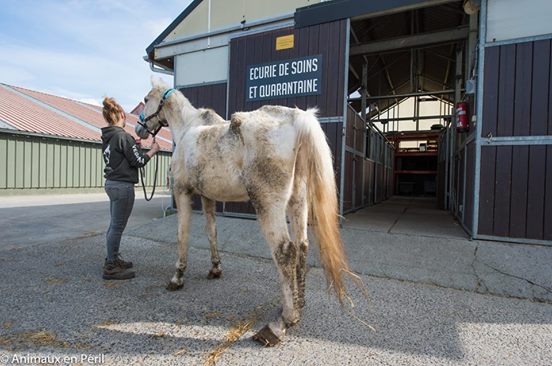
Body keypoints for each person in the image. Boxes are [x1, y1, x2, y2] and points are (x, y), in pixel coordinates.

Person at [100, 97, 160, 280]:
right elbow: (139, 161)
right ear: (122, 116)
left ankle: (113, 258)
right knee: (117, 226)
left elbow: (125, 158)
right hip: (123, 187)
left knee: (114, 225)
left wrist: (135, 147)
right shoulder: (123, 136)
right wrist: (152, 150)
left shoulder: (109, 137)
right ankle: (111, 266)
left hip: (111, 184)